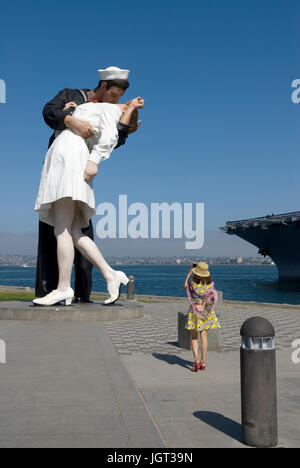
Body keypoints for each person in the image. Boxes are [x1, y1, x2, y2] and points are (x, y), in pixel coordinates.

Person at [32, 71, 144, 307]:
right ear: (103, 86)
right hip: (67, 159)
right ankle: (111, 275)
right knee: (74, 231)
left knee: (62, 229)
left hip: (69, 160)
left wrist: (94, 160)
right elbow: (50, 112)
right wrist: (72, 113)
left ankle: (64, 288)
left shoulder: (110, 110)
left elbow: (114, 137)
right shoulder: (93, 106)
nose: (116, 101)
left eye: (121, 100)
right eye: (114, 95)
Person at [184, 262, 221, 372]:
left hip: (195, 312)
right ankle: (203, 362)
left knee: (194, 337)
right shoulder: (210, 285)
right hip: (206, 312)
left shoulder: (192, 285)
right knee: (204, 337)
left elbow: (185, 286)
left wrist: (188, 275)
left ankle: (196, 362)